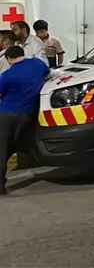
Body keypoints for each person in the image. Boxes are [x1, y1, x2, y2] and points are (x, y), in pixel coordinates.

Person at [0, 45, 50, 195]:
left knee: (2, 149)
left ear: (9, 59)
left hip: (7, 115)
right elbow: (47, 74)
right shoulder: (38, 64)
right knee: (22, 144)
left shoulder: (7, 75)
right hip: (29, 114)